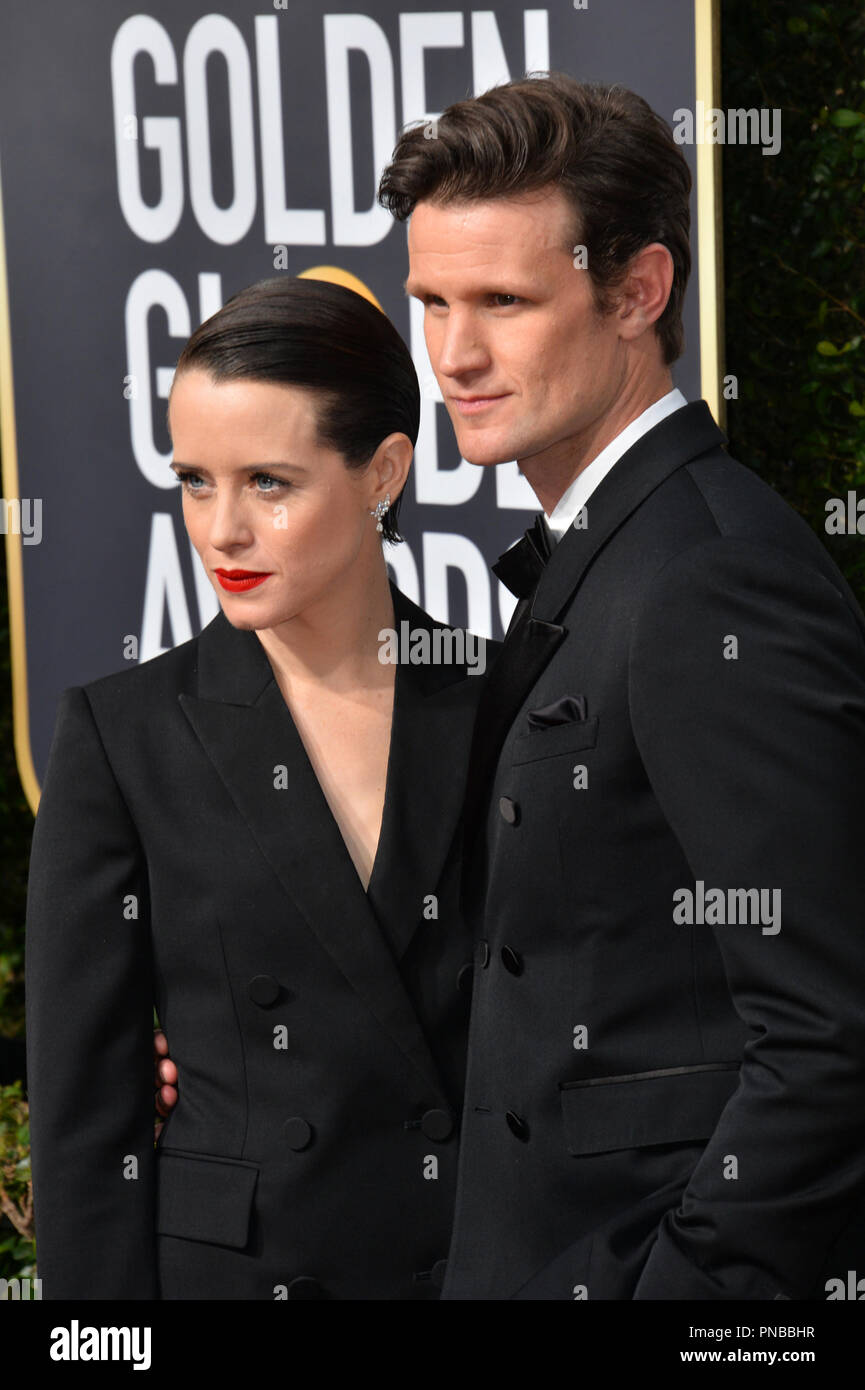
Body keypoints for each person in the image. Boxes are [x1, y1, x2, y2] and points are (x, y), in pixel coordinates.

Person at [373, 71, 865, 1300]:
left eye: (503, 300)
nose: (454, 354)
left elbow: (829, 1031)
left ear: (637, 291)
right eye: (431, 300)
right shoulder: (615, 554)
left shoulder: (711, 579)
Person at [24, 275, 492, 1300]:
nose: (220, 530)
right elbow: (83, 1126)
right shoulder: (125, 737)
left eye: (269, 483)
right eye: (195, 480)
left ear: (383, 471)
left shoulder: (509, 702)